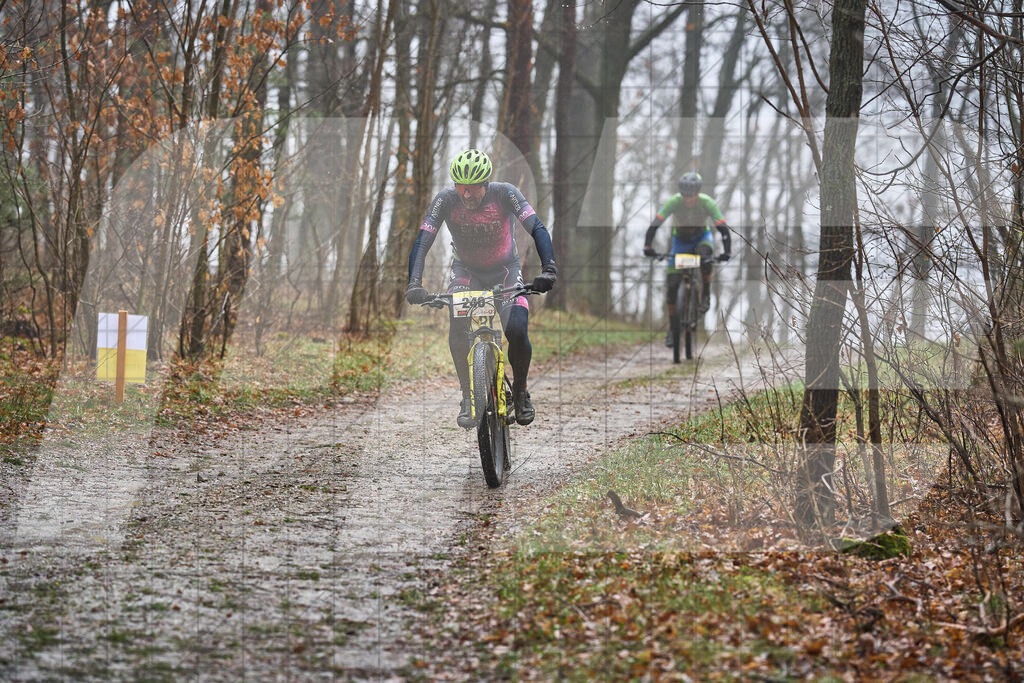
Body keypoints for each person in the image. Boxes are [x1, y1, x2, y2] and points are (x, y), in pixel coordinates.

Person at [405, 149, 558, 428]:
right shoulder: (445, 200)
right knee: (458, 324)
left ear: (485, 184)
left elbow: (536, 227)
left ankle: (521, 392)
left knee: (516, 329)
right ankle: (467, 396)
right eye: (460, 188)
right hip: (466, 272)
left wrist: (549, 268)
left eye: (472, 189)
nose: (466, 195)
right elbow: (423, 241)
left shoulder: (505, 193)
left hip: (505, 271)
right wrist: (414, 282)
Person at [642, 172, 731, 345]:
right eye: (684, 196)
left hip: (701, 239)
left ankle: (705, 291)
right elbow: (655, 225)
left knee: (705, 258)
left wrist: (727, 252)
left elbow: (723, 229)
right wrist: (647, 247)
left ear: (698, 193)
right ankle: (672, 329)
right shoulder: (674, 202)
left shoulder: (707, 203)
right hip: (681, 242)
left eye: (691, 196)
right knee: (672, 286)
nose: (688, 199)